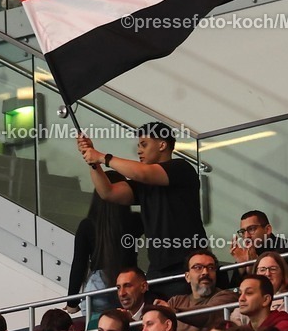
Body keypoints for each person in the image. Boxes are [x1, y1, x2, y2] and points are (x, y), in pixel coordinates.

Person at [78, 121, 207, 296]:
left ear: (162, 145)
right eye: (139, 145)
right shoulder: (144, 184)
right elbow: (108, 192)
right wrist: (93, 162)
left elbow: (143, 173)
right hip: (157, 267)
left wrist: (103, 157)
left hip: (187, 262)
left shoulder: (182, 168)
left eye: (144, 144)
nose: (139, 150)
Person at [65, 170, 143, 319]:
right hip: (129, 281)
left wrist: (72, 301)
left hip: (99, 285)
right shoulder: (135, 221)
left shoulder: (87, 225)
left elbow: (79, 263)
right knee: (130, 330)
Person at [163, 250, 238, 331]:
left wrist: (174, 311)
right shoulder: (176, 301)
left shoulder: (227, 296)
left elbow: (209, 314)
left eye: (211, 268)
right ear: (187, 277)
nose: (205, 272)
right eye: (198, 267)